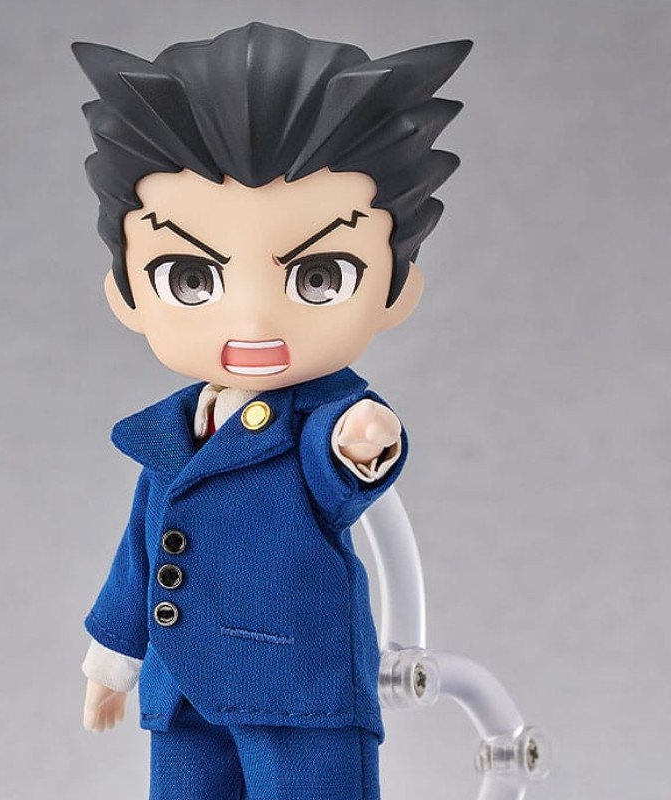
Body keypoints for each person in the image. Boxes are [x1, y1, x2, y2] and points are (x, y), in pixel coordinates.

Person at [73, 22, 471, 800]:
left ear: (397, 288)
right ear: (126, 293)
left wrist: (361, 444)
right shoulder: (170, 439)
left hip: (299, 692)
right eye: (191, 279)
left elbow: (335, 468)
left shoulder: (321, 420)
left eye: (319, 277)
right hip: (181, 694)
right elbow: (139, 558)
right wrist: (111, 661)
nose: (253, 322)